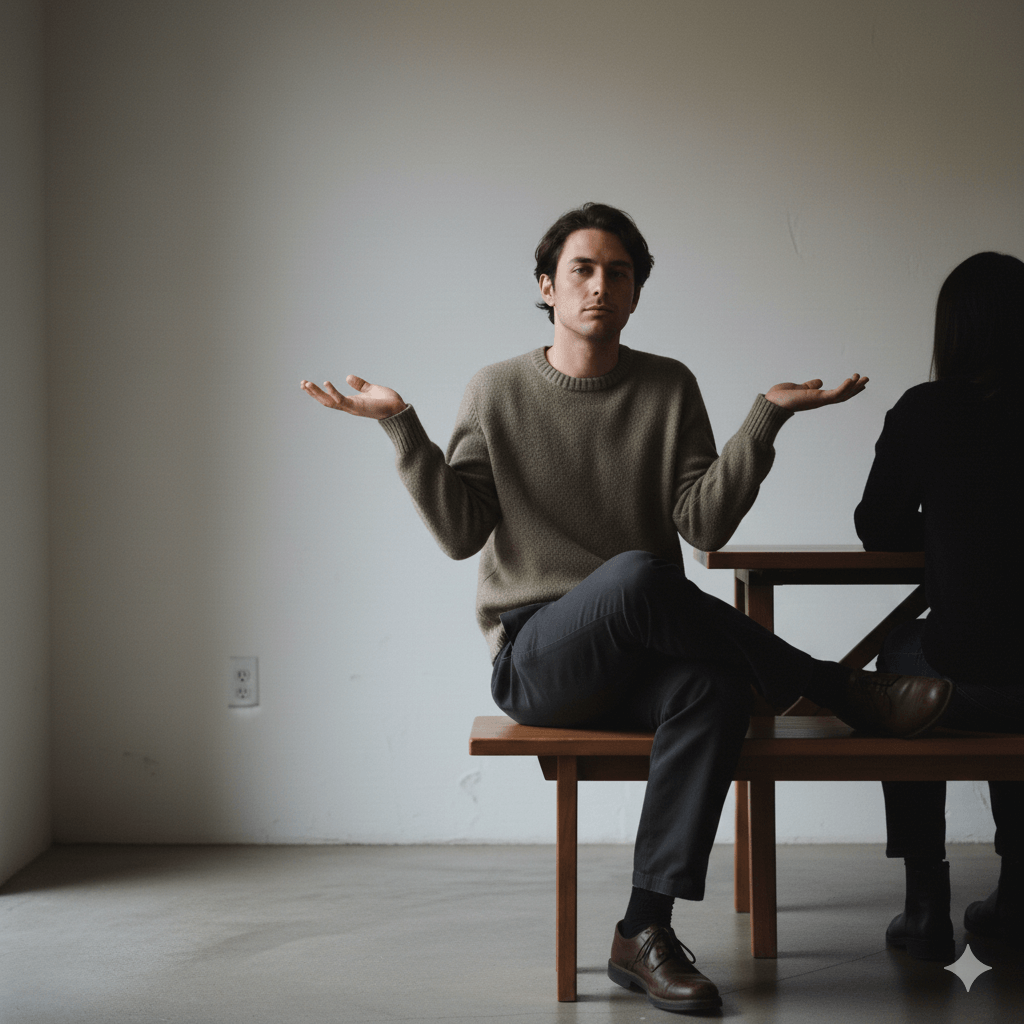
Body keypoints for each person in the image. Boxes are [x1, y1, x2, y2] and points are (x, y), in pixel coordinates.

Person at [302, 203, 952, 1013]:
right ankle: (834, 686)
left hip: (641, 653)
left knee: (713, 686)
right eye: (581, 269)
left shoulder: (667, 386)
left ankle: (643, 931)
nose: (599, 285)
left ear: (637, 292)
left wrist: (766, 421)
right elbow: (463, 534)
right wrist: (402, 427)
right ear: (547, 286)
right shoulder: (496, 391)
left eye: (618, 272)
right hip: (539, 659)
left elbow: (703, 526)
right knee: (639, 575)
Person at [855, 251, 1024, 961]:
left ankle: (925, 902)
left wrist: (951, 523)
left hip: (966, 678)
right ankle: (1016, 895)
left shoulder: (925, 410)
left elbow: (877, 529)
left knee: (902, 663)